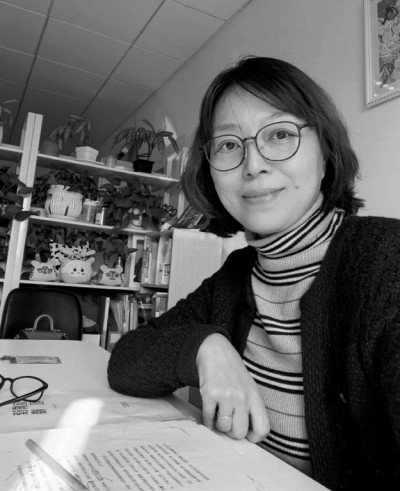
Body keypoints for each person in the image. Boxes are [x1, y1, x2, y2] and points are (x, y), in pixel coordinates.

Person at [108, 56, 400, 490]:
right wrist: (204, 347)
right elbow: (125, 362)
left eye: (280, 134)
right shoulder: (237, 275)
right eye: (228, 144)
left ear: (325, 153)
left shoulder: (386, 262)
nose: (253, 164)